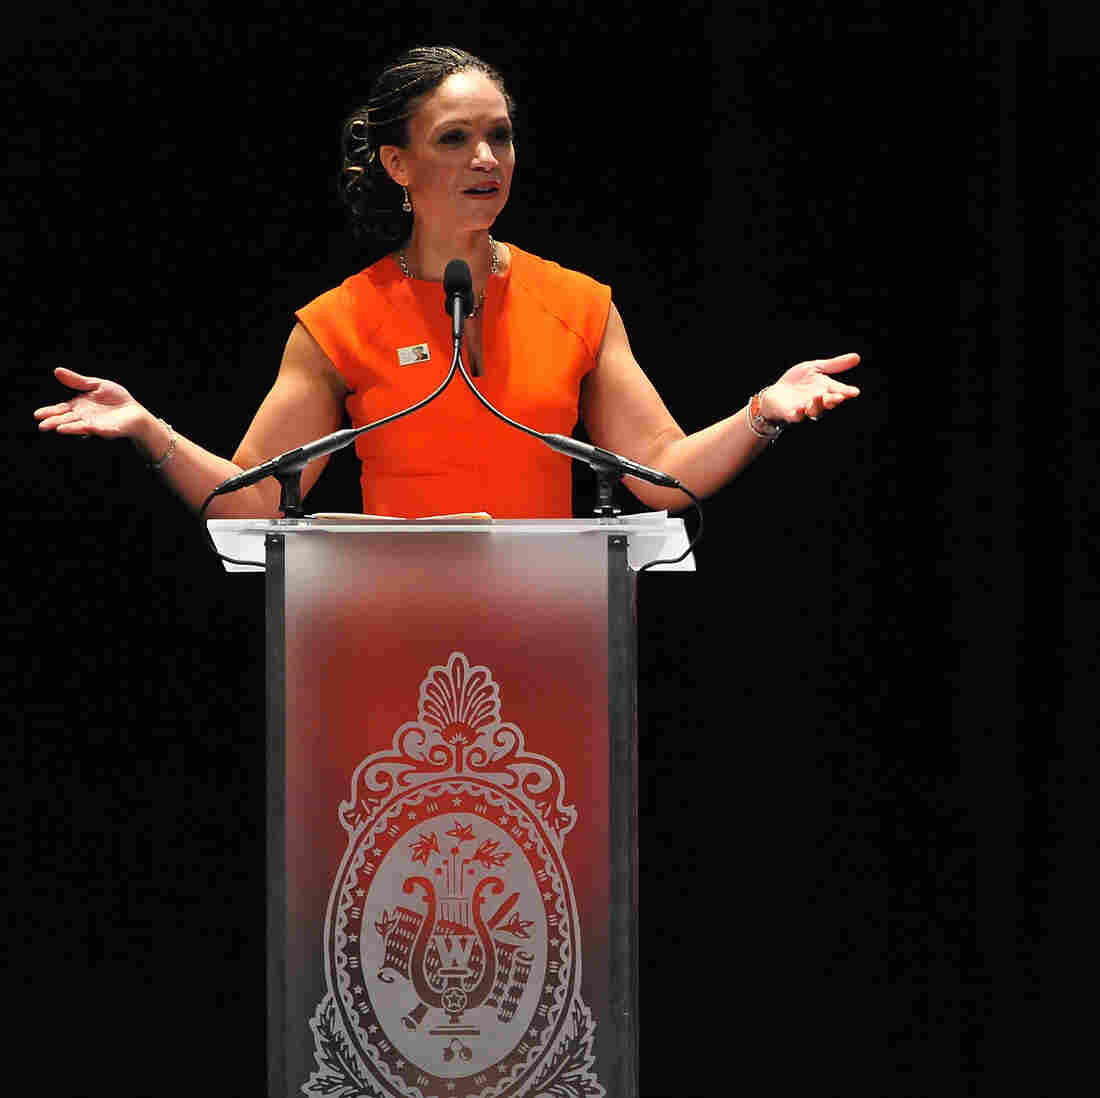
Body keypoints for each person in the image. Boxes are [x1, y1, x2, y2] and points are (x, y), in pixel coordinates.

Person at [34, 45, 860, 520]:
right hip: (387, 629)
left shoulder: (577, 304)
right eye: (455, 138)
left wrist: (762, 412)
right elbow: (252, 502)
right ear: (397, 163)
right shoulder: (338, 322)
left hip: (548, 625)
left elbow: (659, 475)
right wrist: (148, 429)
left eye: (500, 136)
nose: (486, 159)